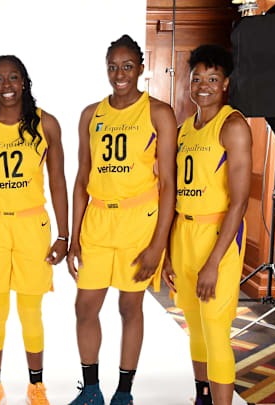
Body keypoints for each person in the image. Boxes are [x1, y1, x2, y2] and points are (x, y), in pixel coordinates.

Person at [66, 34, 178, 405]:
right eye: (113, 66)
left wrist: (157, 244)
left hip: (139, 222)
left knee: (129, 307)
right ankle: (91, 389)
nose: (120, 73)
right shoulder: (91, 114)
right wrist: (74, 238)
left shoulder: (158, 113)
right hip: (98, 220)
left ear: (141, 69)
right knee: (85, 307)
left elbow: (168, 185)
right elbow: (82, 178)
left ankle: (124, 392)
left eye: (127, 66)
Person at [0, 55, 69, 405]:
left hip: (31, 224)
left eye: (13, 77)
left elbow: (58, 183)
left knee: (30, 311)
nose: (6, 86)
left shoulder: (46, 124)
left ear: (24, 81)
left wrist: (64, 234)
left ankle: (36, 386)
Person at [162, 44, 252, 405]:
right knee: (195, 327)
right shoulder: (185, 129)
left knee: (215, 331)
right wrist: (168, 251)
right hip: (184, 234)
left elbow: (240, 201)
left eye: (212, 79)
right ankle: (202, 397)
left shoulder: (233, 126)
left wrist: (214, 261)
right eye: (197, 78)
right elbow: (176, 193)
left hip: (217, 237)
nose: (204, 85)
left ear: (225, 83)